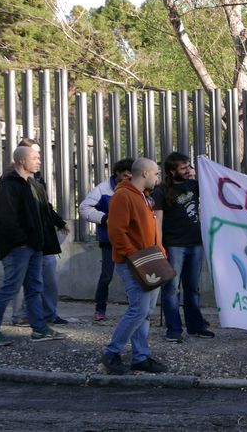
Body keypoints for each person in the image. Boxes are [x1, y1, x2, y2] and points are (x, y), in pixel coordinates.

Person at [100, 157, 168, 374]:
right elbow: (116, 233)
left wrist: (159, 252)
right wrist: (134, 256)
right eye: (156, 173)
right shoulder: (123, 195)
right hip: (135, 263)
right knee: (139, 310)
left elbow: (149, 230)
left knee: (145, 311)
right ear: (145, 173)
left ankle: (140, 357)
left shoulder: (142, 195)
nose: (158, 177)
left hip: (149, 261)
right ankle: (111, 352)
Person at [0, 146, 68, 346]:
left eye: (39, 157)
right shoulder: (9, 185)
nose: (39, 161)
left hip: (35, 246)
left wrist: (58, 223)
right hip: (18, 248)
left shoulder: (34, 184)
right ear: (21, 160)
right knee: (10, 288)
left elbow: (44, 209)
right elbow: (6, 218)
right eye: (35, 158)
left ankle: (39, 328)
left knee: (34, 288)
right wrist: (21, 241)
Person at [152, 152, 214, 343]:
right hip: (173, 245)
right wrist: (158, 244)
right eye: (184, 167)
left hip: (195, 243)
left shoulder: (193, 185)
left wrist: (203, 167)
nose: (188, 170)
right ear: (172, 171)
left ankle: (195, 326)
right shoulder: (161, 190)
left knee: (193, 287)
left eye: (189, 166)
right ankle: (174, 329)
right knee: (172, 289)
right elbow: (157, 219)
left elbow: (214, 187)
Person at [80, 157, 134, 322]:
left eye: (131, 176)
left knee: (134, 276)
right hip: (109, 240)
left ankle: (135, 309)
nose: (128, 179)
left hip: (132, 240)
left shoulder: (136, 187)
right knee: (106, 275)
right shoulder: (102, 189)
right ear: (117, 173)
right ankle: (100, 309)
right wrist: (105, 219)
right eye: (125, 175)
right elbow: (84, 208)